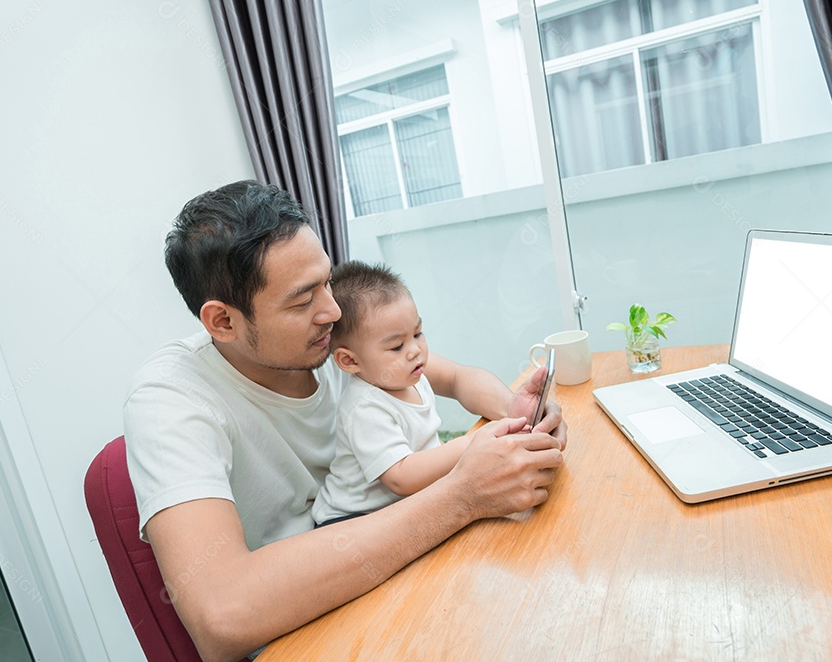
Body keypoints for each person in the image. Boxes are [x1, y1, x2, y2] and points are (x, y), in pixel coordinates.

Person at [123, 181, 566, 662]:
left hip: (397, 573)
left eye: (327, 282)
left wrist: (517, 413)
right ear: (223, 323)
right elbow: (223, 616)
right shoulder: (170, 399)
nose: (332, 310)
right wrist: (462, 496)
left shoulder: (333, 339)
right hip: (309, 632)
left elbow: (453, 376)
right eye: (301, 301)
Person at [312, 260, 482, 526]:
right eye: (396, 346)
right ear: (350, 361)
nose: (414, 350)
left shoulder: (412, 377)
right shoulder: (364, 407)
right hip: (351, 519)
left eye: (418, 333)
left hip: (399, 506)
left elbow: (426, 446)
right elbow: (401, 477)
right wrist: (469, 443)